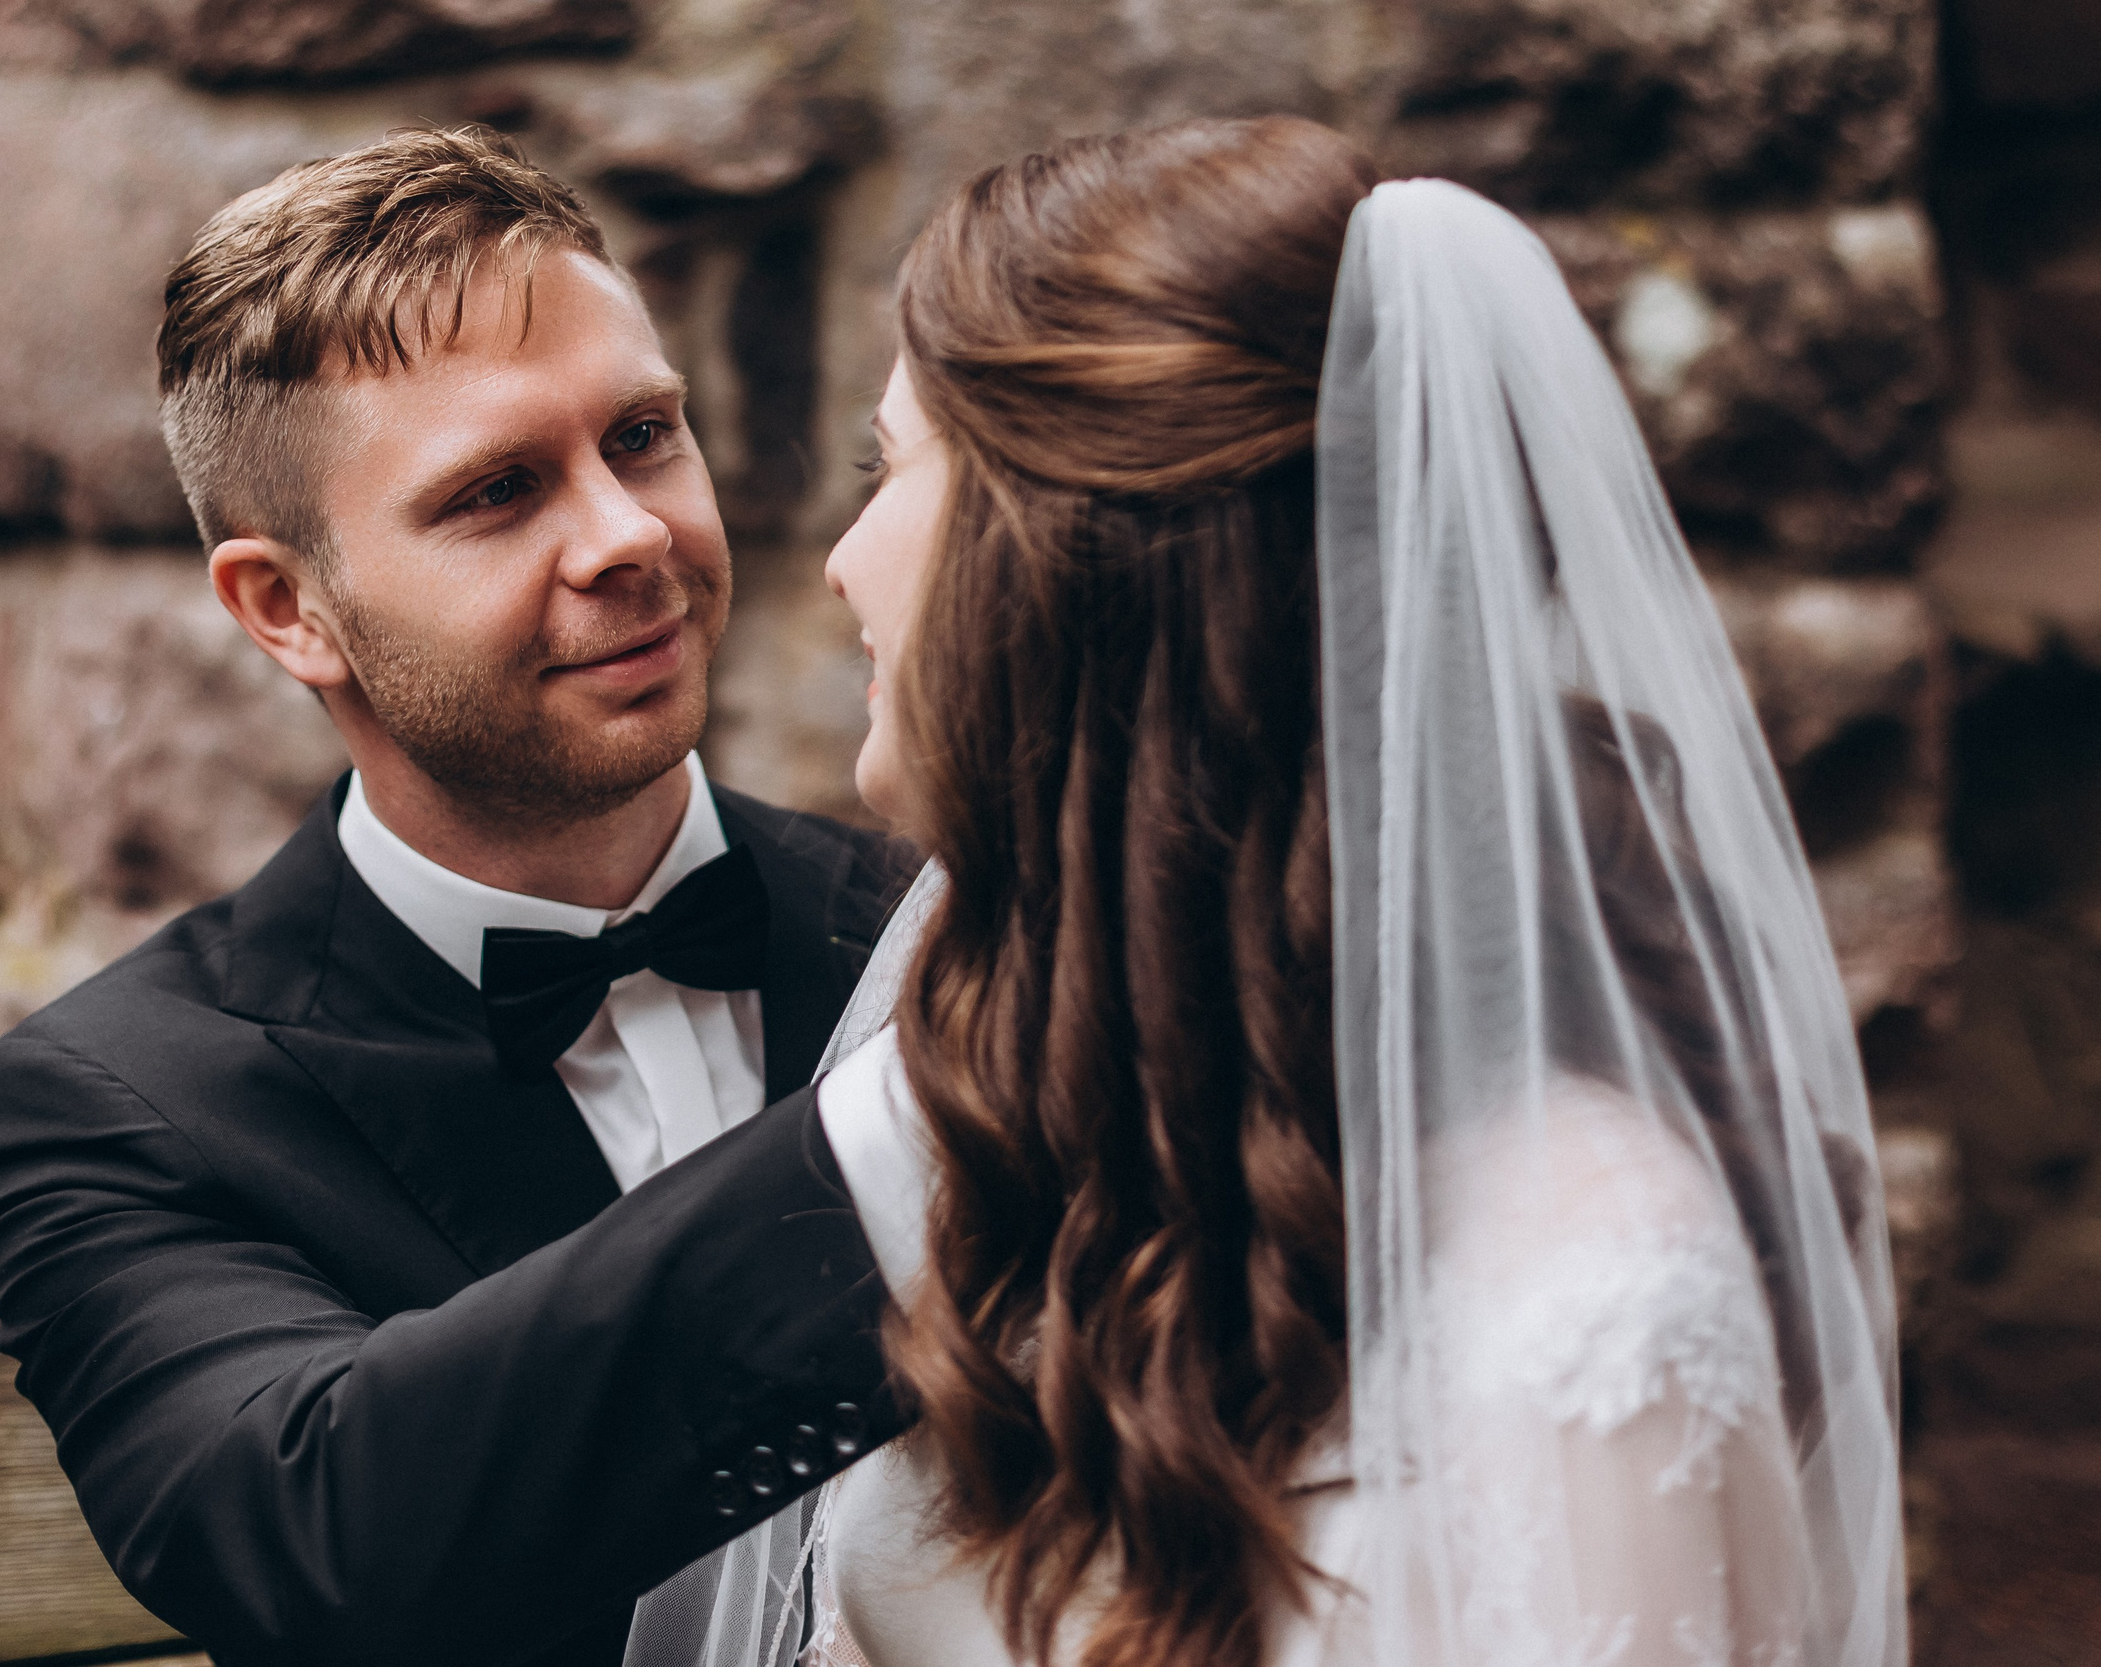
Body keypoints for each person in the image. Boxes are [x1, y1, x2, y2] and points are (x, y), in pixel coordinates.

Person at [644, 117, 1905, 1667]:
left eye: (892, 467)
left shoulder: (1590, 1299)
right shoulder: (1043, 1118)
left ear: (1078, 568)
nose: (839, 560)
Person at [0, 127, 919, 1667]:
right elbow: (320, 1540)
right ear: (289, 607)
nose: (627, 535)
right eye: (496, 492)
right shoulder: (111, 1104)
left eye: (645, 435)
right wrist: (924, 1130)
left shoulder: (942, 913)